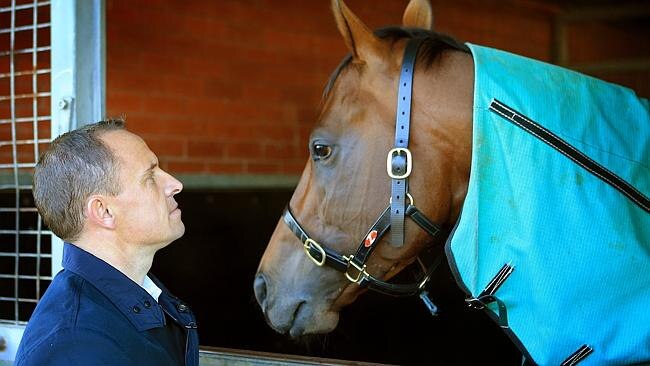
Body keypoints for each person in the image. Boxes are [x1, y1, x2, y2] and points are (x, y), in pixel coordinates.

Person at [14, 119, 198, 366]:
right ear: (104, 211)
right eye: (150, 176)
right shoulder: (76, 345)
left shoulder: (141, 299)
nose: (175, 185)